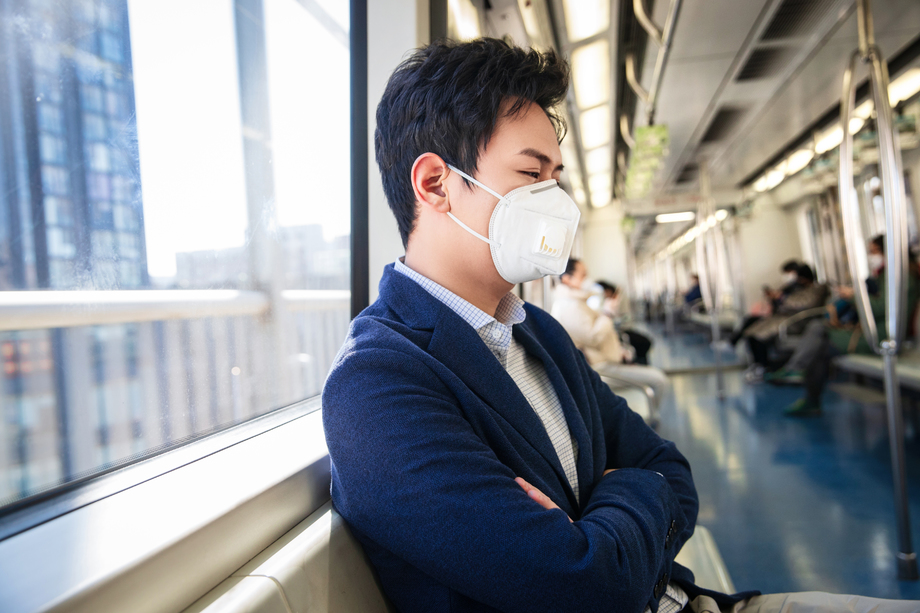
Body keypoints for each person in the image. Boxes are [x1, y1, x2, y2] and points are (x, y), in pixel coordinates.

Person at [322, 37, 918, 613]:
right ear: (435, 184)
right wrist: (635, 488)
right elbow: (587, 589)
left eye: (556, 176)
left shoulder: (540, 337)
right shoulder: (379, 385)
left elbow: (674, 471)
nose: (554, 198)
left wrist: (603, 515)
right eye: (532, 174)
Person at [776, 236, 919, 416]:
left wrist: (853, 296)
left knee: (819, 337)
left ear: (887, 251)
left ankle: (799, 377)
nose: (870, 255)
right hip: (876, 330)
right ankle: (802, 382)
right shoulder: (889, 274)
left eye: (873, 251)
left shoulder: (901, 276)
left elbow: (883, 308)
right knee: (818, 339)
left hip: (885, 335)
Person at [551, 260, 668, 404]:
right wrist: (607, 313)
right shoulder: (568, 306)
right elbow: (593, 338)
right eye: (583, 275)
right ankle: (651, 420)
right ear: (566, 279)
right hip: (600, 368)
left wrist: (619, 352)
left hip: (605, 360)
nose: (587, 280)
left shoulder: (575, 302)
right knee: (658, 380)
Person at [742, 263, 828, 382]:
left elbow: (803, 304)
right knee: (751, 331)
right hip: (784, 317)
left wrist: (782, 298)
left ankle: (763, 367)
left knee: (759, 335)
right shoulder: (795, 288)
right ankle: (758, 365)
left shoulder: (817, 289)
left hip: (798, 321)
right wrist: (776, 298)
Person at [599, 280, 654, 365]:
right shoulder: (605, 303)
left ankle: (642, 365)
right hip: (614, 333)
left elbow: (624, 317)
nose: (603, 295)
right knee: (644, 343)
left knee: (645, 343)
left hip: (622, 330)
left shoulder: (617, 300)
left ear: (608, 291)